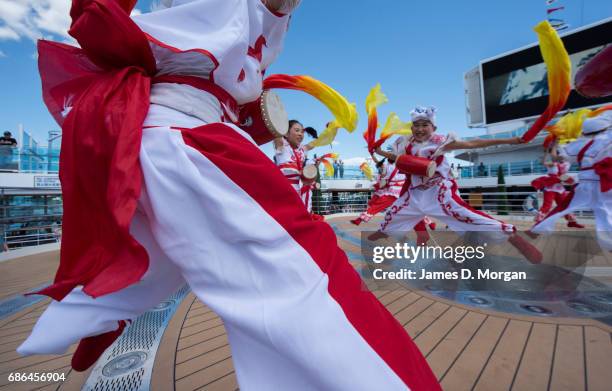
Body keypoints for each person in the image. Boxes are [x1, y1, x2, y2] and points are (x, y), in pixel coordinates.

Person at [18, 1, 440, 390]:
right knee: (315, 278)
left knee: (159, 261)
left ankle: (90, 313)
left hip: (163, 133)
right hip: (190, 136)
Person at [371, 106, 542, 263]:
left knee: (469, 217)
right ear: (411, 127)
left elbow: (472, 143)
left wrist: (511, 140)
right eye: (416, 125)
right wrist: (380, 152)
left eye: (425, 125)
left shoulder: (440, 141)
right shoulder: (406, 144)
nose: (420, 129)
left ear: (434, 128)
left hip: (439, 193)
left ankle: (513, 237)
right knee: (394, 212)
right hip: (415, 193)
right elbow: (399, 160)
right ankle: (384, 231)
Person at [531, 111, 611, 250]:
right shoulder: (607, 138)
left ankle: (559, 224)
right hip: (558, 185)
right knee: (552, 206)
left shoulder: (579, 145)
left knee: (564, 206)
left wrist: (556, 143)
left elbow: (560, 157)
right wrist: (553, 145)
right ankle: (539, 225)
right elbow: (550, 161)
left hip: (577, 183)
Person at [531, 143, 584, 228]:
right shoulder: (552, 163)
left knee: (565, 205)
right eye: (558, 155)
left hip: (560, 188)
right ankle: (538, 223)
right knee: (547, 206)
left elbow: (563, 176)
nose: (561, 156)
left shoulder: (567, 163)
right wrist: (548, 150)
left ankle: (571, 222)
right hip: (550, 188)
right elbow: (543, 162)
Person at [274, 120, 318, 213]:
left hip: (300, 191)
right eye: (297, 130)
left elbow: (317, 142)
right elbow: (275, 130)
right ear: (286, 133)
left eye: (302, 132)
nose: (300, 134)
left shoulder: (302, 149)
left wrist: (331, 130)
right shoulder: (282, 146)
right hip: (285, 192)